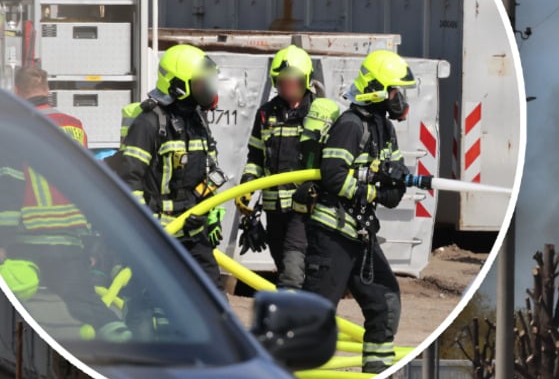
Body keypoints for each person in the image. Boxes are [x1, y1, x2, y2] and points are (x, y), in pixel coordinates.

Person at [300, 50, 416, 373]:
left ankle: (376, 377)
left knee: (385, 303)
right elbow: (333, 175)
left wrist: (395, 180)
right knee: (317, 314)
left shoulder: (385, 130)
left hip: (361, 235)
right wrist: (373, 190)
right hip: (332, 233)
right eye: (394, 91)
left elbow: (393, 195)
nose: (399, 98)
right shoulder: (350, 126)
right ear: (376, 90)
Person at [0, 67, 129, 339]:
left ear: (17, 92)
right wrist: (90, 240)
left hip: (27, 239)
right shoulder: (74, 126)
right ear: (48, 90)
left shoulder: (13, 128)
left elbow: (10, 185)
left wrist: (3, 240)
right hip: (70, 237)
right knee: (86, 302)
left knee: (16, 306)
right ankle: (120, 339)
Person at [115, 43, 224, 287]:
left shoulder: (198, 120)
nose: (207, 89)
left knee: (214, 300)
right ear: (178, 86)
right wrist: (145, 227)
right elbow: (130, 179)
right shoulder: (149, 123)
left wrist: (210, 214)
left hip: (194, 233)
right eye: (200, 83)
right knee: (154, 303)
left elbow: (211, 172)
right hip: (159, 238)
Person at [238, 44, 335, 288]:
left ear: (306, 80)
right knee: (284, 266)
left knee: (292, 272)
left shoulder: (319, 114)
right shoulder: (265, 115)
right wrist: (247, 188)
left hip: (305, 209)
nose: (287, 87)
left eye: (293, 82)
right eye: (282, 82)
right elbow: (256, 158)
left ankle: (291, 310)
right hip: (274, 210)